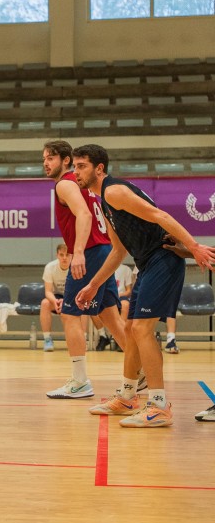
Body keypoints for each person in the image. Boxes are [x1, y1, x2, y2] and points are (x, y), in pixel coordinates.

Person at [73, 143, 215, 427]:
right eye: (74, 166)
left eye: (81, 166)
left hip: (164, 258)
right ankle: (127, 396)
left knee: (141, 329)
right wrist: (93, 286)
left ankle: (159, 406)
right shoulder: (103, 201)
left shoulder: (115, 191)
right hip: (147, 263)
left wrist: (194, 246)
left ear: (99, 168)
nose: (76, 172)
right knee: (129, 328)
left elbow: (160, 216)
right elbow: (117, 251)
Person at [42, 139, 127, 400]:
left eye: (51, 158)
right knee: (111, 316)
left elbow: (85, 216)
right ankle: (141, 372)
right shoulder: (85, 187)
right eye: (44, 158)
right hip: (102, 252)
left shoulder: (66, 183)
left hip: (90, 253)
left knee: (70, 314)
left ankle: (79, 382)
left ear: (65, 160)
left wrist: (77, 252)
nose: (46, 163)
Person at [39, 243, 70, 353]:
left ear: (72, 255)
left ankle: (77, 339)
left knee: (84, 306)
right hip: (55, 297)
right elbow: (48, 291)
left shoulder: (76, 267)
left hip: (71, 296)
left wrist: (65, 301)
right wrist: (55, 301)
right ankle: (47, 339)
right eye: (61, 255)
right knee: (45, 303)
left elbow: (79, 291)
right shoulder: (50, 267)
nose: (64, 258)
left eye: (67, 255)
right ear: (57, 255)